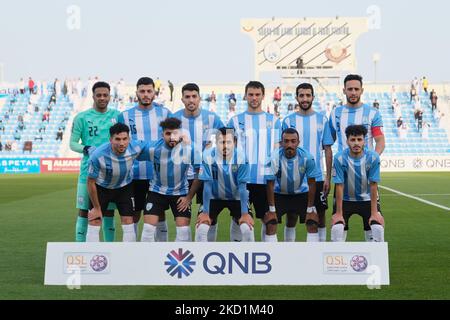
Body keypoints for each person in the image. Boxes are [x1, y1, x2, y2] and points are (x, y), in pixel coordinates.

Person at [328, 74, 385, 241]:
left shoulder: (372, 113)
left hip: (365, 177)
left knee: (374, 225)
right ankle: (336, 264)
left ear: (362, 90)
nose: (353, 92)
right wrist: (327, 176)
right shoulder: (336, 113)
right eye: (350, 89)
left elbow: (380, 140)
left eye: (356, 89)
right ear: (344, 90)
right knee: (338, 225)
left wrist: (370, 160)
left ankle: (374, 263)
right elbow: (327, 144)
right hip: (342, 174)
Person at [118, 77, 172, 241]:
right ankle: (134, 253)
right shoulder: (125, 116)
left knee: (159, 213)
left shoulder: (165, 113)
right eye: (142, 91)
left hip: (159, 174)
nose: (146, 94)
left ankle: (162, 251)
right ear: (136, 93)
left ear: (154, 93)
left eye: (149, 91)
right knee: (134, 214)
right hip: (134, 174)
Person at [227, 81, 281, 242]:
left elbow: (277, 151)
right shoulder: (235, 121)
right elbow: (229, 150)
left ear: (263, 96)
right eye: (250, 94)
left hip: (265, 181)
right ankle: (238, 258)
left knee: (270, 222)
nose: (254, 98)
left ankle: (271, 259)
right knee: (239, 221)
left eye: (257, 94)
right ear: (245, 96)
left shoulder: (274, 121)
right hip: (242, 180)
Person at [282, 83, 334, 241]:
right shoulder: (288, 120)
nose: (305, 99)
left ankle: (320, 250)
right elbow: (282, 149)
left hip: (316, 177)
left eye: (308, 95)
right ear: (296, 97)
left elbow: (328, 149)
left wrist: (327, 177)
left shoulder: (322, 119)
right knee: (291, 216)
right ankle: (288, 251)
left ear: (313, 97)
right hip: (293, 177)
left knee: (320, 215)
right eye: (301, 95)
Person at [70, 81, 121, 242]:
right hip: (88, 172)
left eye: (105, 95)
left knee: (108, 212)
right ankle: (80, 247)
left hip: (111, 173)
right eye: (98, 95)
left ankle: (109, 248)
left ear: (110, 96)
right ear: (93, 96)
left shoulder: (117, 116)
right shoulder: (82, 117)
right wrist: (86, 148)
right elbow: (72, 143)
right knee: (84, 211)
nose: (102, 98)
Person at [173, 83, 224, 241]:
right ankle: (187, 250)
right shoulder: (174, 119)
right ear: (182, 99)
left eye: (194, 96)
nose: (191, 100)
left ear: (199, 98)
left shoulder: (212, 118)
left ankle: (208, 248)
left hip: (207, 175)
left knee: (209, 218)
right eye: (187, 97)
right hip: (182, 176)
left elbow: (226, 139)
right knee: (183, 220)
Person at [87, 123, 153, 242]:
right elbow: (90, 182)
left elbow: (156, 146)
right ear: (111, 140)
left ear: (129, 139)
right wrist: (96, 207)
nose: (122, 143)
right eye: (117, 139)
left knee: (128, 221)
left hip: (124, 187)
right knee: (94, 219)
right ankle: (91, 255)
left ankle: (128, 256)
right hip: (102, 187)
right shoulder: (98, 155)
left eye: (125, 139)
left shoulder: (136, 147)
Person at [140, 117, 201, 242]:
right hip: (156, 191)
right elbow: (130, 151)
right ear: (162, 134)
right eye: (168, 134)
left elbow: (199, 172)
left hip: (180, 193)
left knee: (183, 233)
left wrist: (189, 197)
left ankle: (179, 260)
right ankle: (147, 260)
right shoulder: (152, 148)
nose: (172, 137)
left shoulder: (190, 148)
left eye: (175, 133)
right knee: (147, 230)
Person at [196, 127, 253, 242]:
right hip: (213, 197)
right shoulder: (207, 156)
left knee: (247, 229)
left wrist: (245, 214)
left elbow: (243, 188)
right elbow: (207, 185)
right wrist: (205, 213)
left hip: (236, 197)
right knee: (202, 227)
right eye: (222, 142)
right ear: (216, 142)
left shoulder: (241, 157)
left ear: (235, 143)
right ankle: (202, 256)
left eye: (229, 142)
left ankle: (244, 257)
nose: (225, 146)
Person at [330, 125, 385, 242]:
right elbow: (339, 185)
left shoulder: (373, 157)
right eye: (353, 140)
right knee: (337, 229)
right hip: (345, 200)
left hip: (367, 200)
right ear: (347, 141)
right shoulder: (339, 158)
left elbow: (374, 185)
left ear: (364, 141)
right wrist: (338, 213)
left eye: (359, 139)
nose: (356, 143)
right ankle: (338, 258)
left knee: (377, 229)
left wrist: (374, 212)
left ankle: (375, 259)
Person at [266, 128, 319, 242]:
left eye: (293, 141)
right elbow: (270, 184)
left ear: (298, 142)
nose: (289, 144)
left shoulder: (307, 158)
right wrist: (271, 209)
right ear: (282, 142)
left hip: (301, 193)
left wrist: (310, 209)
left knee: (312, 223)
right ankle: (273, 257)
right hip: (279, 194)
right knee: (270, 223)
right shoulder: (274, 158)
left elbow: (312, 183)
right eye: (286, 141)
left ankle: (312, 257)